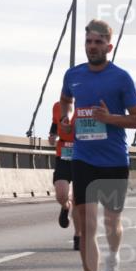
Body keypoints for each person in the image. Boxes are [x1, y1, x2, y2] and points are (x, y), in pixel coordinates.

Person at [60, 19, 136, 271]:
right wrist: (66, 117)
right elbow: (66, 99)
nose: (92, 47)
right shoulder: (73, 74)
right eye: (88, 42)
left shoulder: (121, 78)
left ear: (109, 46)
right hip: (83, 159)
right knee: (86, 226)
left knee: (111, 223)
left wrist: (110, 119)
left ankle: (114, 257)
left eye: (97, 42)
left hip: (114, 161)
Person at [49, 100, 80, 251]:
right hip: (63, 155)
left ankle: (78, 236)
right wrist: (53, 136)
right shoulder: (57, 106)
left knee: (80, 199)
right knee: (61, 194)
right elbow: (55, 124)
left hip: (84, 155)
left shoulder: (89, 104)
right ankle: (65, 206)